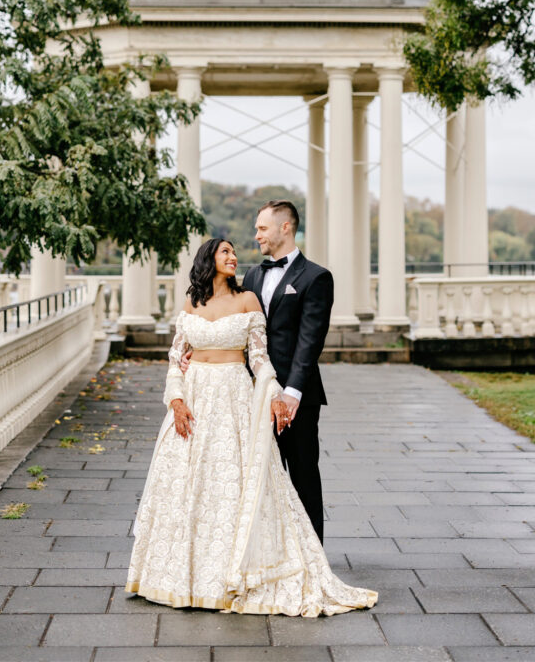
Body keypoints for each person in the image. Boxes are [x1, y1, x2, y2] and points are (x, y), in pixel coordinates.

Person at [125, 237, 377, 617]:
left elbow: (259, 359)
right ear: (208, 259)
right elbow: (176, 358)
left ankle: (237, 571)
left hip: (233, 395)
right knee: (187, 484)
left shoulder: (247, 300)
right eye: (225, 252)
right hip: (194, 398)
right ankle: (183, 576)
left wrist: (277, 394)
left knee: (232, 483)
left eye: (233, 252)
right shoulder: (190, 303)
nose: (233, 256)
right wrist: (175, 400)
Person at [241, 199, 331, 543]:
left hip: (298, 398)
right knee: (260, 475)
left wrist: (291, 392)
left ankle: (313, 555)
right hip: (253, 392)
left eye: (262, 228)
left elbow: (310, 340)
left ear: (285, 228)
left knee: (303, 473)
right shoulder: (252, 274)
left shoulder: (316, 277)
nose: (257, 235)